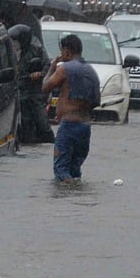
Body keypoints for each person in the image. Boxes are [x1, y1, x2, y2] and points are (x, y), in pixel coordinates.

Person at [41, 34, 100, 183]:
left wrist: (52, 67)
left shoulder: (65, 69)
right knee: (75, 170)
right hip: (85, 128)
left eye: (62, 52)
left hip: (68, 127)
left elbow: (45, 87)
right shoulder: (91, 71)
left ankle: (63, 203)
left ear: (67, 51)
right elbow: (96, 101)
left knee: (61, 171)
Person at [8, 24, 55, 144]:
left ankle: (51, 141)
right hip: (17, 91)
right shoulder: (8, 52)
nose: (13, 44)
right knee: (22, 122)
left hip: (34, 91)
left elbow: (47, 67)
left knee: (42, 122)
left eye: (16, 41)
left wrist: (39, 74)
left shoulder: (37, 50)